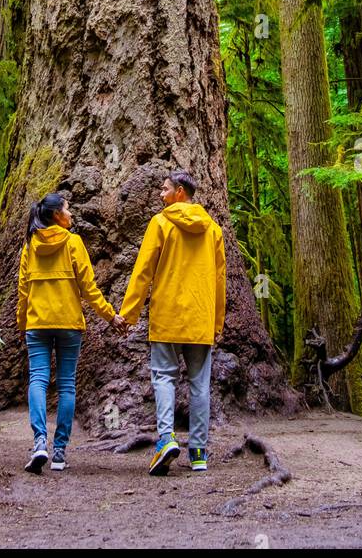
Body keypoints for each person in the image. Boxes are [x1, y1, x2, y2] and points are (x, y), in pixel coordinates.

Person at [118, 169, 226, 475]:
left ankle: (165, 439)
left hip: (167, 316)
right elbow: (220, 282)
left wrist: (128, 314)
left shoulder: (161, 223)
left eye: (164, 190)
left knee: (164, 377)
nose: (159, 195)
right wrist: (216, 323)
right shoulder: (213, 230)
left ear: (180, 192)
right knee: (199, 384)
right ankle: (199, 452)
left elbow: (143, 270)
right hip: (200, 319)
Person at [17, 191, 126, 473]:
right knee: (66, 385)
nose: (72, 213)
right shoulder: (73, 243)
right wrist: (110, 316)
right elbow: (89, 288)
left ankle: (39, 441)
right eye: (68, 209)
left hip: (37, 324)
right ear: (56, 215)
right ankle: (60, 453)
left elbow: (23, 290)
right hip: (68, 324)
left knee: (38, 380)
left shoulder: (30, 245)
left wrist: (22, 322)